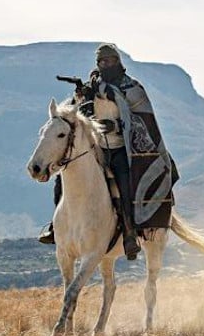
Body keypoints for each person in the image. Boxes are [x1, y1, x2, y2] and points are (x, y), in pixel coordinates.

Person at [38, 44, 178, 261]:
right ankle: (56, 228)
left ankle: (130, 234)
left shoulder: (131, 88)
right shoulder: (93, 87)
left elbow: (141, 120)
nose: (106, 65)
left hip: (123, 149)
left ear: (118, 62)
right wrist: (81, 97)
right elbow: (79, 115)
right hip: (97, 149)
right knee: (64, 177)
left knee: (124, 183)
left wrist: (116, 126)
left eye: (110, 61)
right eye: (102, 62)